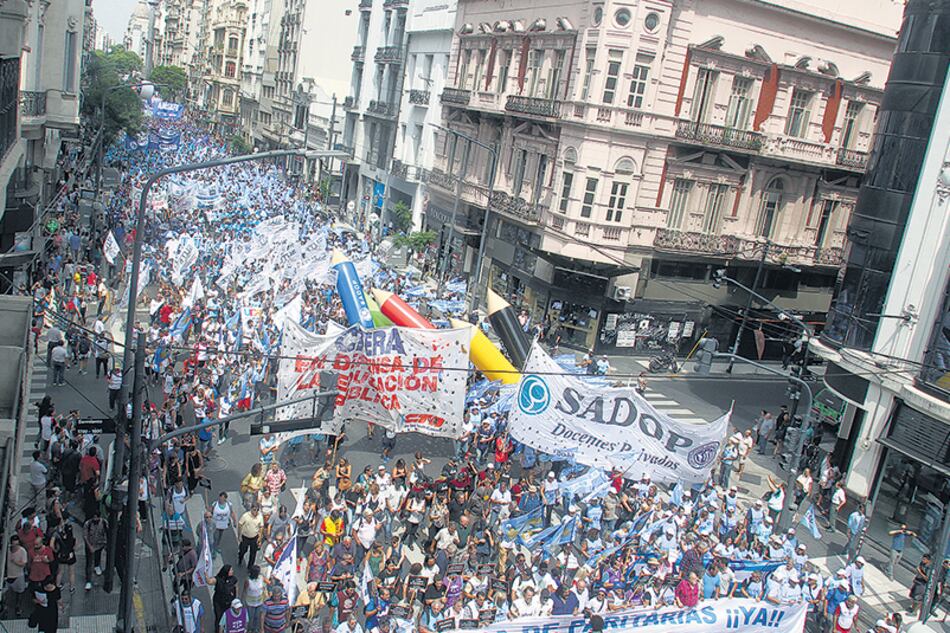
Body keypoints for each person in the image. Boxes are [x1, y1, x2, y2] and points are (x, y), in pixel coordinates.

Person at [83, 512, 107, 590]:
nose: (95, 519)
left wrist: (105, 543)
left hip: (100, 544)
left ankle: (97, 566)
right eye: (94, 518)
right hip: (91, 545)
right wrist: (90, 546)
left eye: (97, 518)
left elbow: (107, 533)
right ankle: (88, 581)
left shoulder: (104, 522)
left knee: (98, 556)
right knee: (89, 563)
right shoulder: (88, 523)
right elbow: (85, 536)